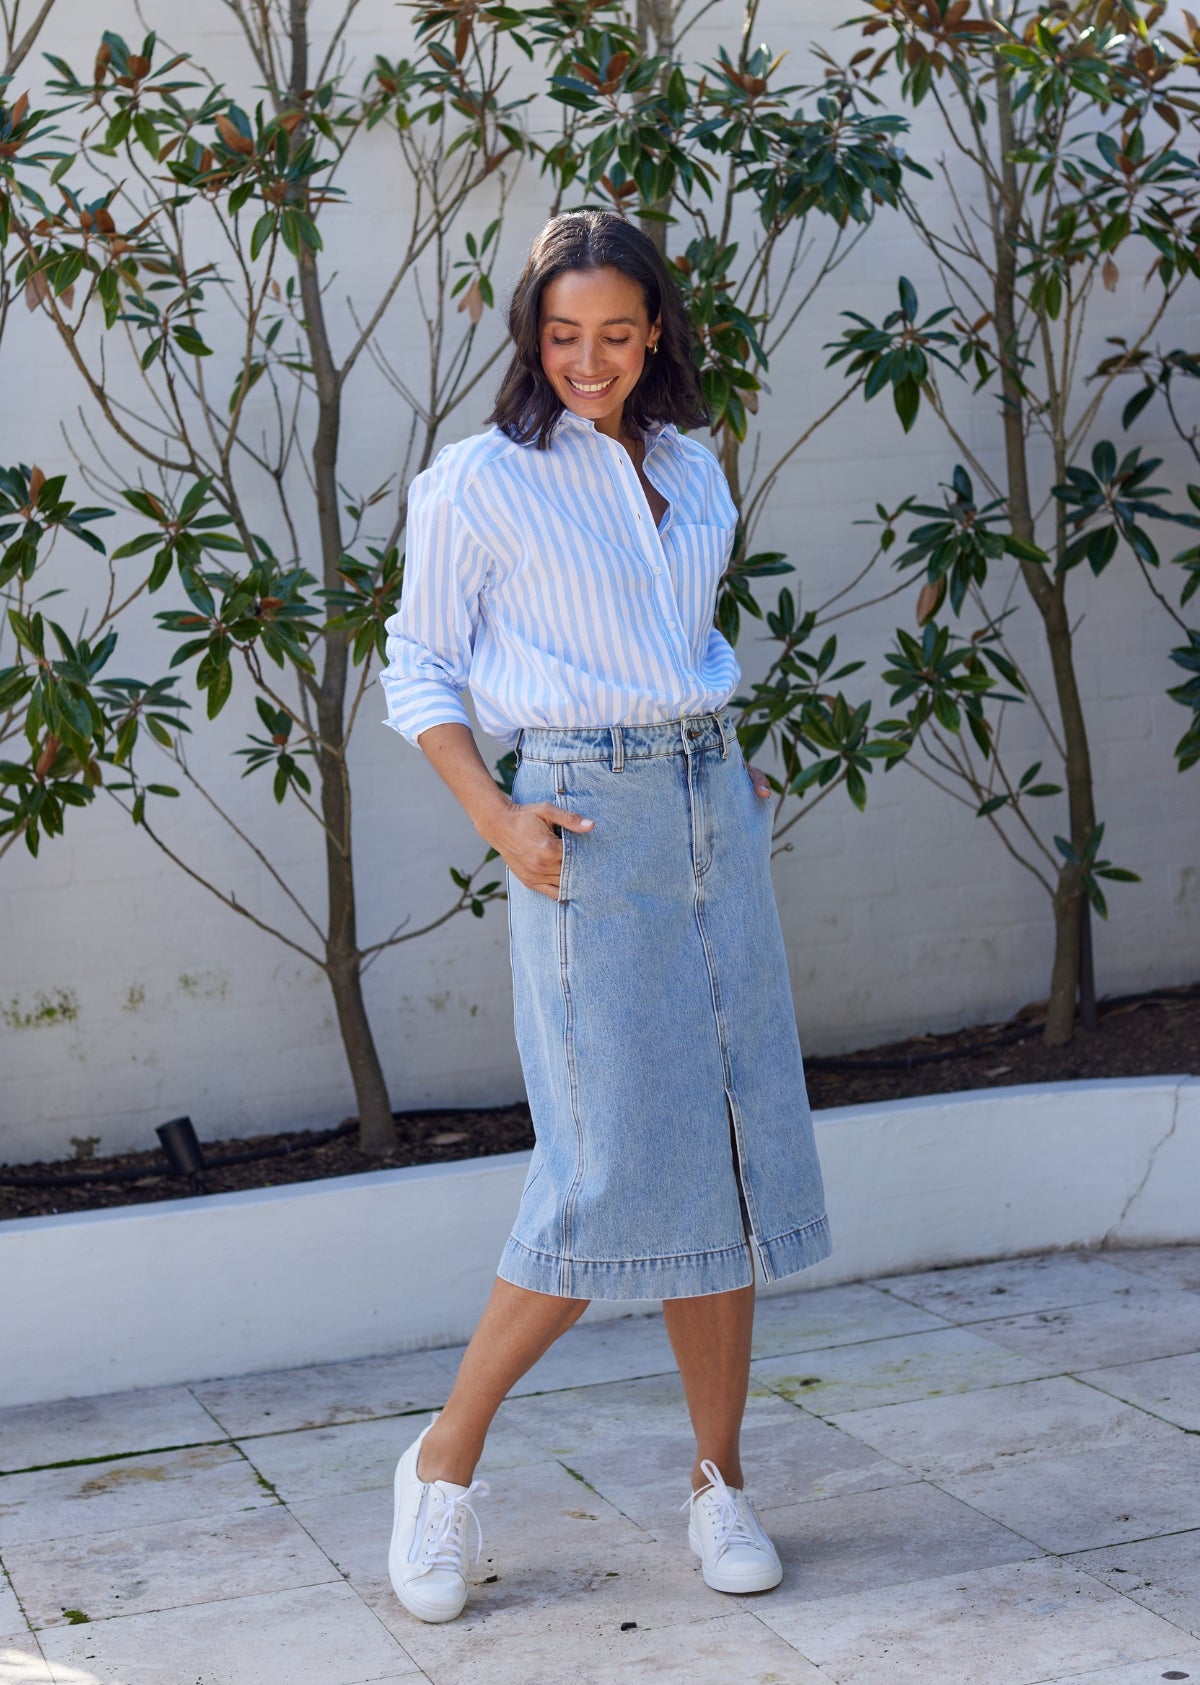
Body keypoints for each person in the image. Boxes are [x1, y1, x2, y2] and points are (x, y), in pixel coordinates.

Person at [378, 208, 831, 1625]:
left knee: (733, 1152)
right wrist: (501, 819)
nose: (590, 359)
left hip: (713, 813)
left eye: (617, 334)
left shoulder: (692, 466)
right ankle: (441, 1468)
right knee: (604, 1165)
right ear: (532, 335)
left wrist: (722, 756)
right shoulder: (478, 483)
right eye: (563, 335)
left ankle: (717, 1478)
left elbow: (672, 647)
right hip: (580, 825)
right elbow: (421, 670)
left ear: (656, 334)